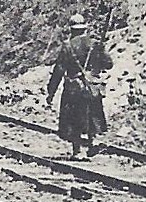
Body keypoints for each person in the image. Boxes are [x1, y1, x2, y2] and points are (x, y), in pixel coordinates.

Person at [47, 13, 113, 160]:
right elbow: (108, 64)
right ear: (85, 28)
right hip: (92, 86)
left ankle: (77, 151)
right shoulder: (95, 44)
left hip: (73, 87)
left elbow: (58, 71)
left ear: (71, 30)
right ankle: (91, 144)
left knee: (73, 119)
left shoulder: (68, 46)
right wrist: (100, 54)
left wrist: (50, 92)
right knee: (92, 115)